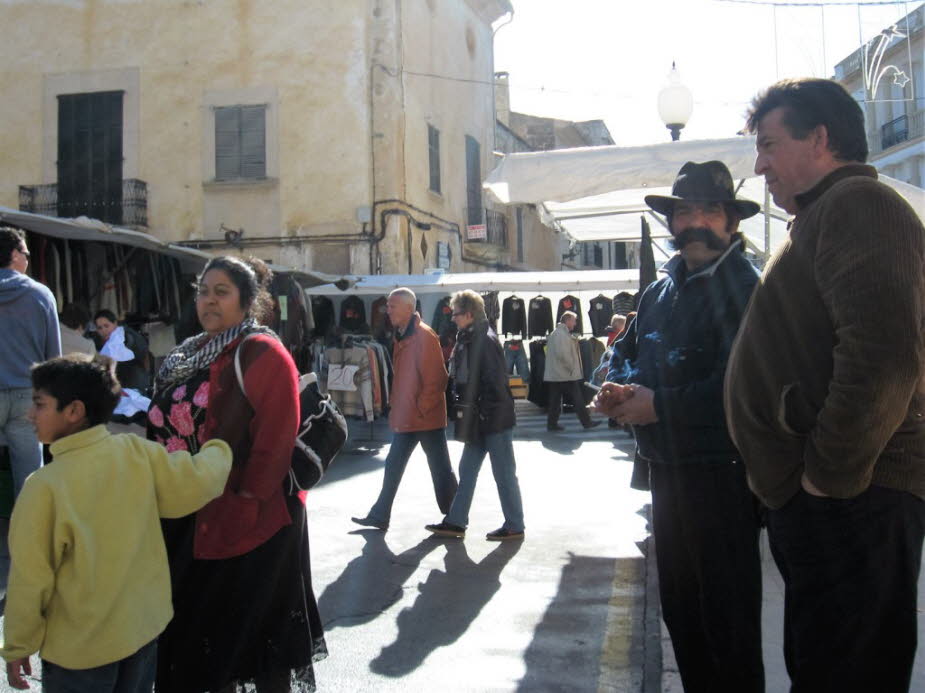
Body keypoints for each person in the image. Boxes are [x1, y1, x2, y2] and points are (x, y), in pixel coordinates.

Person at [725, 78, 925, 692]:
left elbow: (884, 358)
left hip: (854, 498)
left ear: (820, 138)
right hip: (839, 502)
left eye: (768, 145)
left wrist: (823, 482)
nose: (759, 166)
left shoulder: (858, 205)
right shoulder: (824, 216)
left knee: (846, 673)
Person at [594, 160, 764, 692]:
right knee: (683, 618)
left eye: (710, 211)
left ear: (731, 223)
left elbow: (740, 388)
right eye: (685, 210)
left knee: (728, 628)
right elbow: (622, 353)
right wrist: (617, 388)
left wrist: (658, 405)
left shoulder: (747, 288)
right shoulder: (658, 292)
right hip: (665, 475)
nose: (695, 222)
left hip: (724, 477)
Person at [148, 256, 327, 692]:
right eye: (203, 291)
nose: (209, 300)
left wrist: (246, 502)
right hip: (189, 512)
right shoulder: (186, 353)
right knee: (200, 635)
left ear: (247, 302)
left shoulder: (260, 350)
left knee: (247, 643)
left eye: (221, 292)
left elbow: (274, 440)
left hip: (250, 523)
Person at [1, 354, 231, 692]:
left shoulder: (44, 487)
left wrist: (18, 645)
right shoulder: (136, 452)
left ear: (74, 411)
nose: (29, 413)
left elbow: (30, 579)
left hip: (80, 653)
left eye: (39, 404)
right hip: (142, 633)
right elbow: (196, 479)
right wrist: (221, 448)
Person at [352, 288, 458, 531]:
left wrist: (420, 409)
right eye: (387, 305)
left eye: (392, 306)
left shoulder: (424, 336)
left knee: (440, 470)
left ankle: (455, 517)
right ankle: (380, 515)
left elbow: (438, 379)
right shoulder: (402, 334)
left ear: (409, 309)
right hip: (409, 417)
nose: (387, 310)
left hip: (423, 418)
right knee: (394, 465)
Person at [425, 290, 525, 541]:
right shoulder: (471, 337)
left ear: (469, 314)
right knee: (467, 469)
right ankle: (456, 521)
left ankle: (515, 524)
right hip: (480, 418)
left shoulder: (484, 339)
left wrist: (480, 413)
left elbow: (495, 382)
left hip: (492, 419)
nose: (453, 318)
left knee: (503, 473)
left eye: (456, 314)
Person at [0, 227, 60, 500]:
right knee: (28, 477)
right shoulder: (41, 295)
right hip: (27, 396)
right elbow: (53, 357)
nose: (29, 258)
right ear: (14, 255)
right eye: (26, 252)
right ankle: (26, 537)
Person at [544, 311, 600, 432]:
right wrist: (571, 368)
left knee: (555, 401)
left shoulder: (559, 333)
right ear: (568, 320)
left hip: (558, 374)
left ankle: (552, 424)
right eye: (574, 321)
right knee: (577, 400)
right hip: (565, 374)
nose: (575, 324)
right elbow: (563, 354)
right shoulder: (561, 335)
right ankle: (586, 422)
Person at [94, 309, 150, 392]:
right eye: (100, 328)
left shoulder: (126, 337)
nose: (103, 330)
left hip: (133, 386)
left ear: (115, 323)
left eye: (106, 326)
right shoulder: (100, 342)